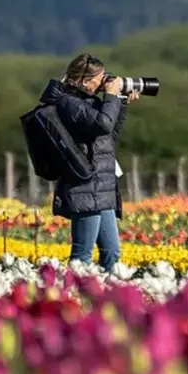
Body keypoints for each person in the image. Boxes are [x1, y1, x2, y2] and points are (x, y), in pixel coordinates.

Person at [38, 53, 139, 271]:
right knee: (82, 257)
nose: (103, 83)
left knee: (112, 254)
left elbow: (108, 137)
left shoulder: (88, 103)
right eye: (100, 78)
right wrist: (111, 98)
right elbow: (103, 124)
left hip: (102, 187)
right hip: (84, 185)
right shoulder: (69, 104)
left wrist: (120, 103)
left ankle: (110, 300)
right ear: (85, 80)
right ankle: (70, 299)